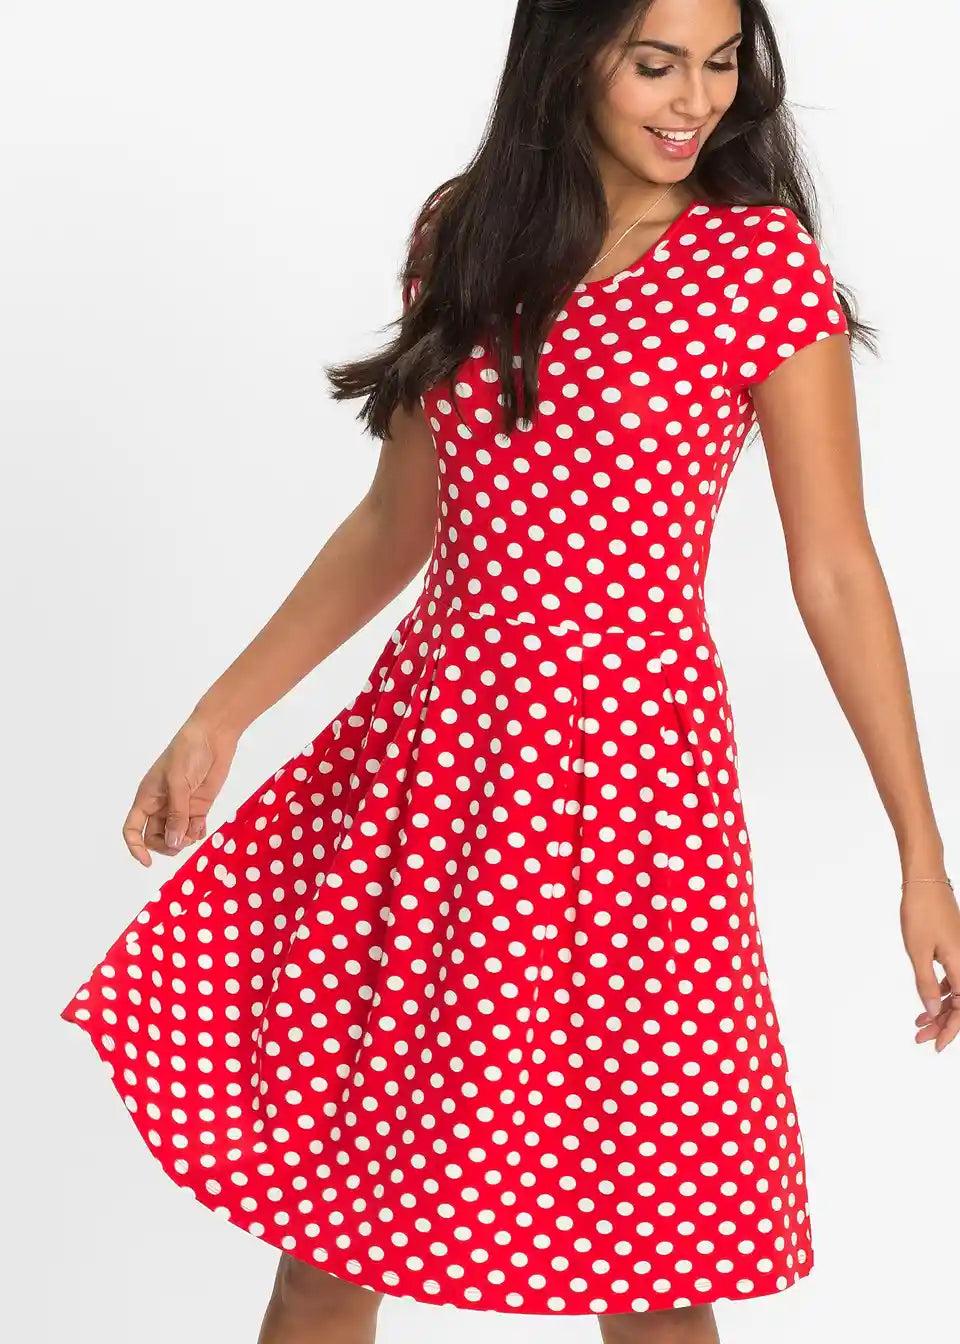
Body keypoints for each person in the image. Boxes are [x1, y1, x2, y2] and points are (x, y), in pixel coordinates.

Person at [61, 2, 959, 1342]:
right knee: (327, 1243)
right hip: (425, 784)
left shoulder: (758, 266)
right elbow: (395, 524)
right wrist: (220, 716)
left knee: (653, 1277)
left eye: (722, 65)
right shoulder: (467, 234)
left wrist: (919, 851)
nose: (696, 101)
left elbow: (834, 568)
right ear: (570, 54)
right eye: (657, 64)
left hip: (632, 811)